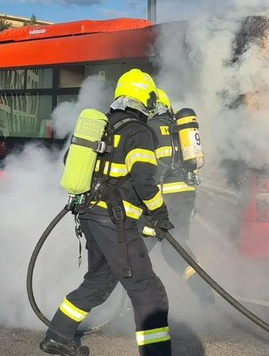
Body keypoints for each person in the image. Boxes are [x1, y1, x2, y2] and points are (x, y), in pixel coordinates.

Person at [41, 69, 174, 356]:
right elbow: (144, 182)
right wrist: (160, 215)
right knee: (147, 291)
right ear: (145, 98)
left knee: (101, 281)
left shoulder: (102, 126)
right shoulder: (139, 132)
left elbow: (72, 161)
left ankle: (58, 335)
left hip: (89, 216)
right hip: (114, 221)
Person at [143, 89, 215, 305]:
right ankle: (203, 288)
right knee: (175, 246)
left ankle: (133, 300)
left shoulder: (149, 128)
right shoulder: (179, 127)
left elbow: (144, 168)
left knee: (138, 248)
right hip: (185, 195)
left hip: (162, 197)